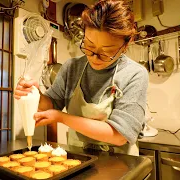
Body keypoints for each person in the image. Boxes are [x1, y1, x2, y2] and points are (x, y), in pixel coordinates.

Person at [14, 0, 148, 156]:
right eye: (89, 47)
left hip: (121, 164)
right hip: (79, 158)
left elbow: (119, 136)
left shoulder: (134, 74)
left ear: (125, 45)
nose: (94, 58)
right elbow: (51, 105)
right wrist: (35, 94)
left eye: (106, 52)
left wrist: (62, 118)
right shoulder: (72, 67)